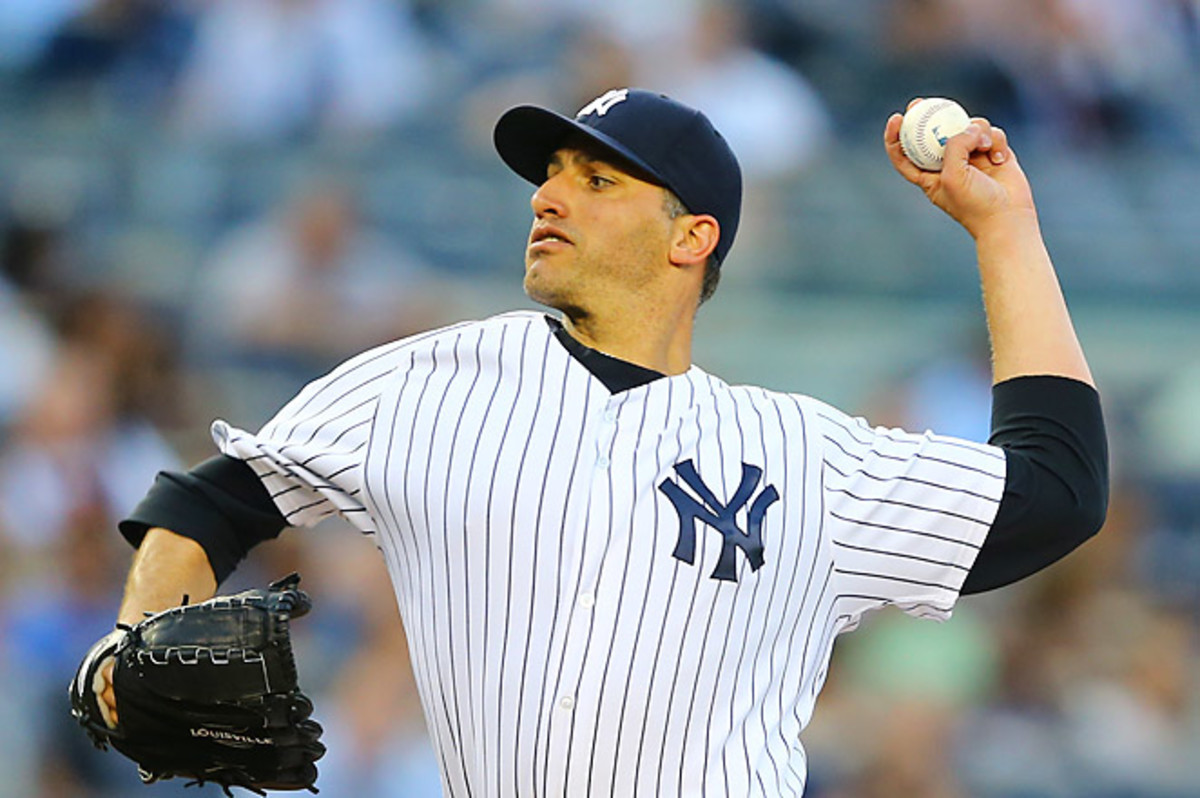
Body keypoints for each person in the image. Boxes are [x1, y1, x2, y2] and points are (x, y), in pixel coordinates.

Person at [86, 88, 1108, 796]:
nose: (547, 195)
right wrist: (133, 646)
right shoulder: (426, 382)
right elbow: (211, 500)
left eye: (598, 179)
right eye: (551, 174)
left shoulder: (808, 457)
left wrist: (1004, 229)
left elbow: (1056, 489)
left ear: (691, 237)